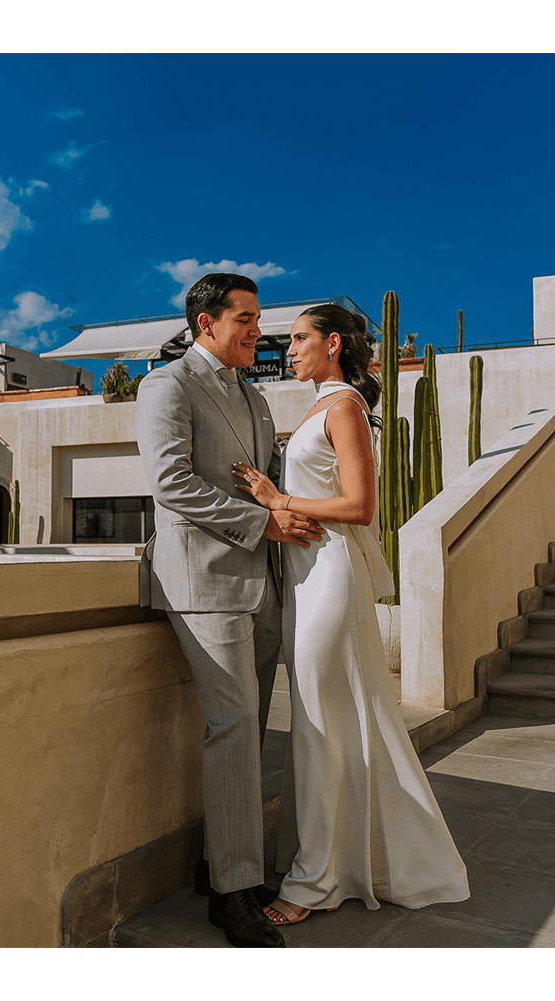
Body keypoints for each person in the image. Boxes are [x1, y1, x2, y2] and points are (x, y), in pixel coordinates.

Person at [232, 303, 469, 924]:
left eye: (299, 338)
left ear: (333, 343)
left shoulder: (343, 407)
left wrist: (276, 496)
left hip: (329, 572)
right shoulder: (319, 404)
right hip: (304, 574)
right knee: (327, 721)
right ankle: (330, 860)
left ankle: (316, 884)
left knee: (317, 723)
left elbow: (362, 505)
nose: (287, 348)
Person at [135, 273, 324, 948]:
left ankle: (221, 862)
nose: (256, 330)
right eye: (244, 318)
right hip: (202, 584)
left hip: (263, 585)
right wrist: (263, 524)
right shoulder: (166, 385)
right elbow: (171, 482)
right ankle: (231, 892)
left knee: (247, 730)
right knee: (236, 726)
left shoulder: (255, 396)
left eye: (258, 317)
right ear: (204, 322)